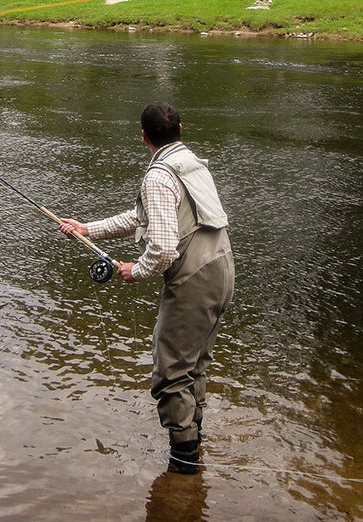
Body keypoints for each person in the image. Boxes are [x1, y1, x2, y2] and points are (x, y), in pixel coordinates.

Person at [59, 102, 235, 474]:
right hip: (223, 268)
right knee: (195, 364)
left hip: (194, 280)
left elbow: (163, 247)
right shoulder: (191, 163)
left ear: (143, 136)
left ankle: (183, 465)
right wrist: (86, 228)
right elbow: (142, 216)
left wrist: (134, 271)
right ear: (180, 129)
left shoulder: (158, 177)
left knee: (171, 372)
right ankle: (193, 445)